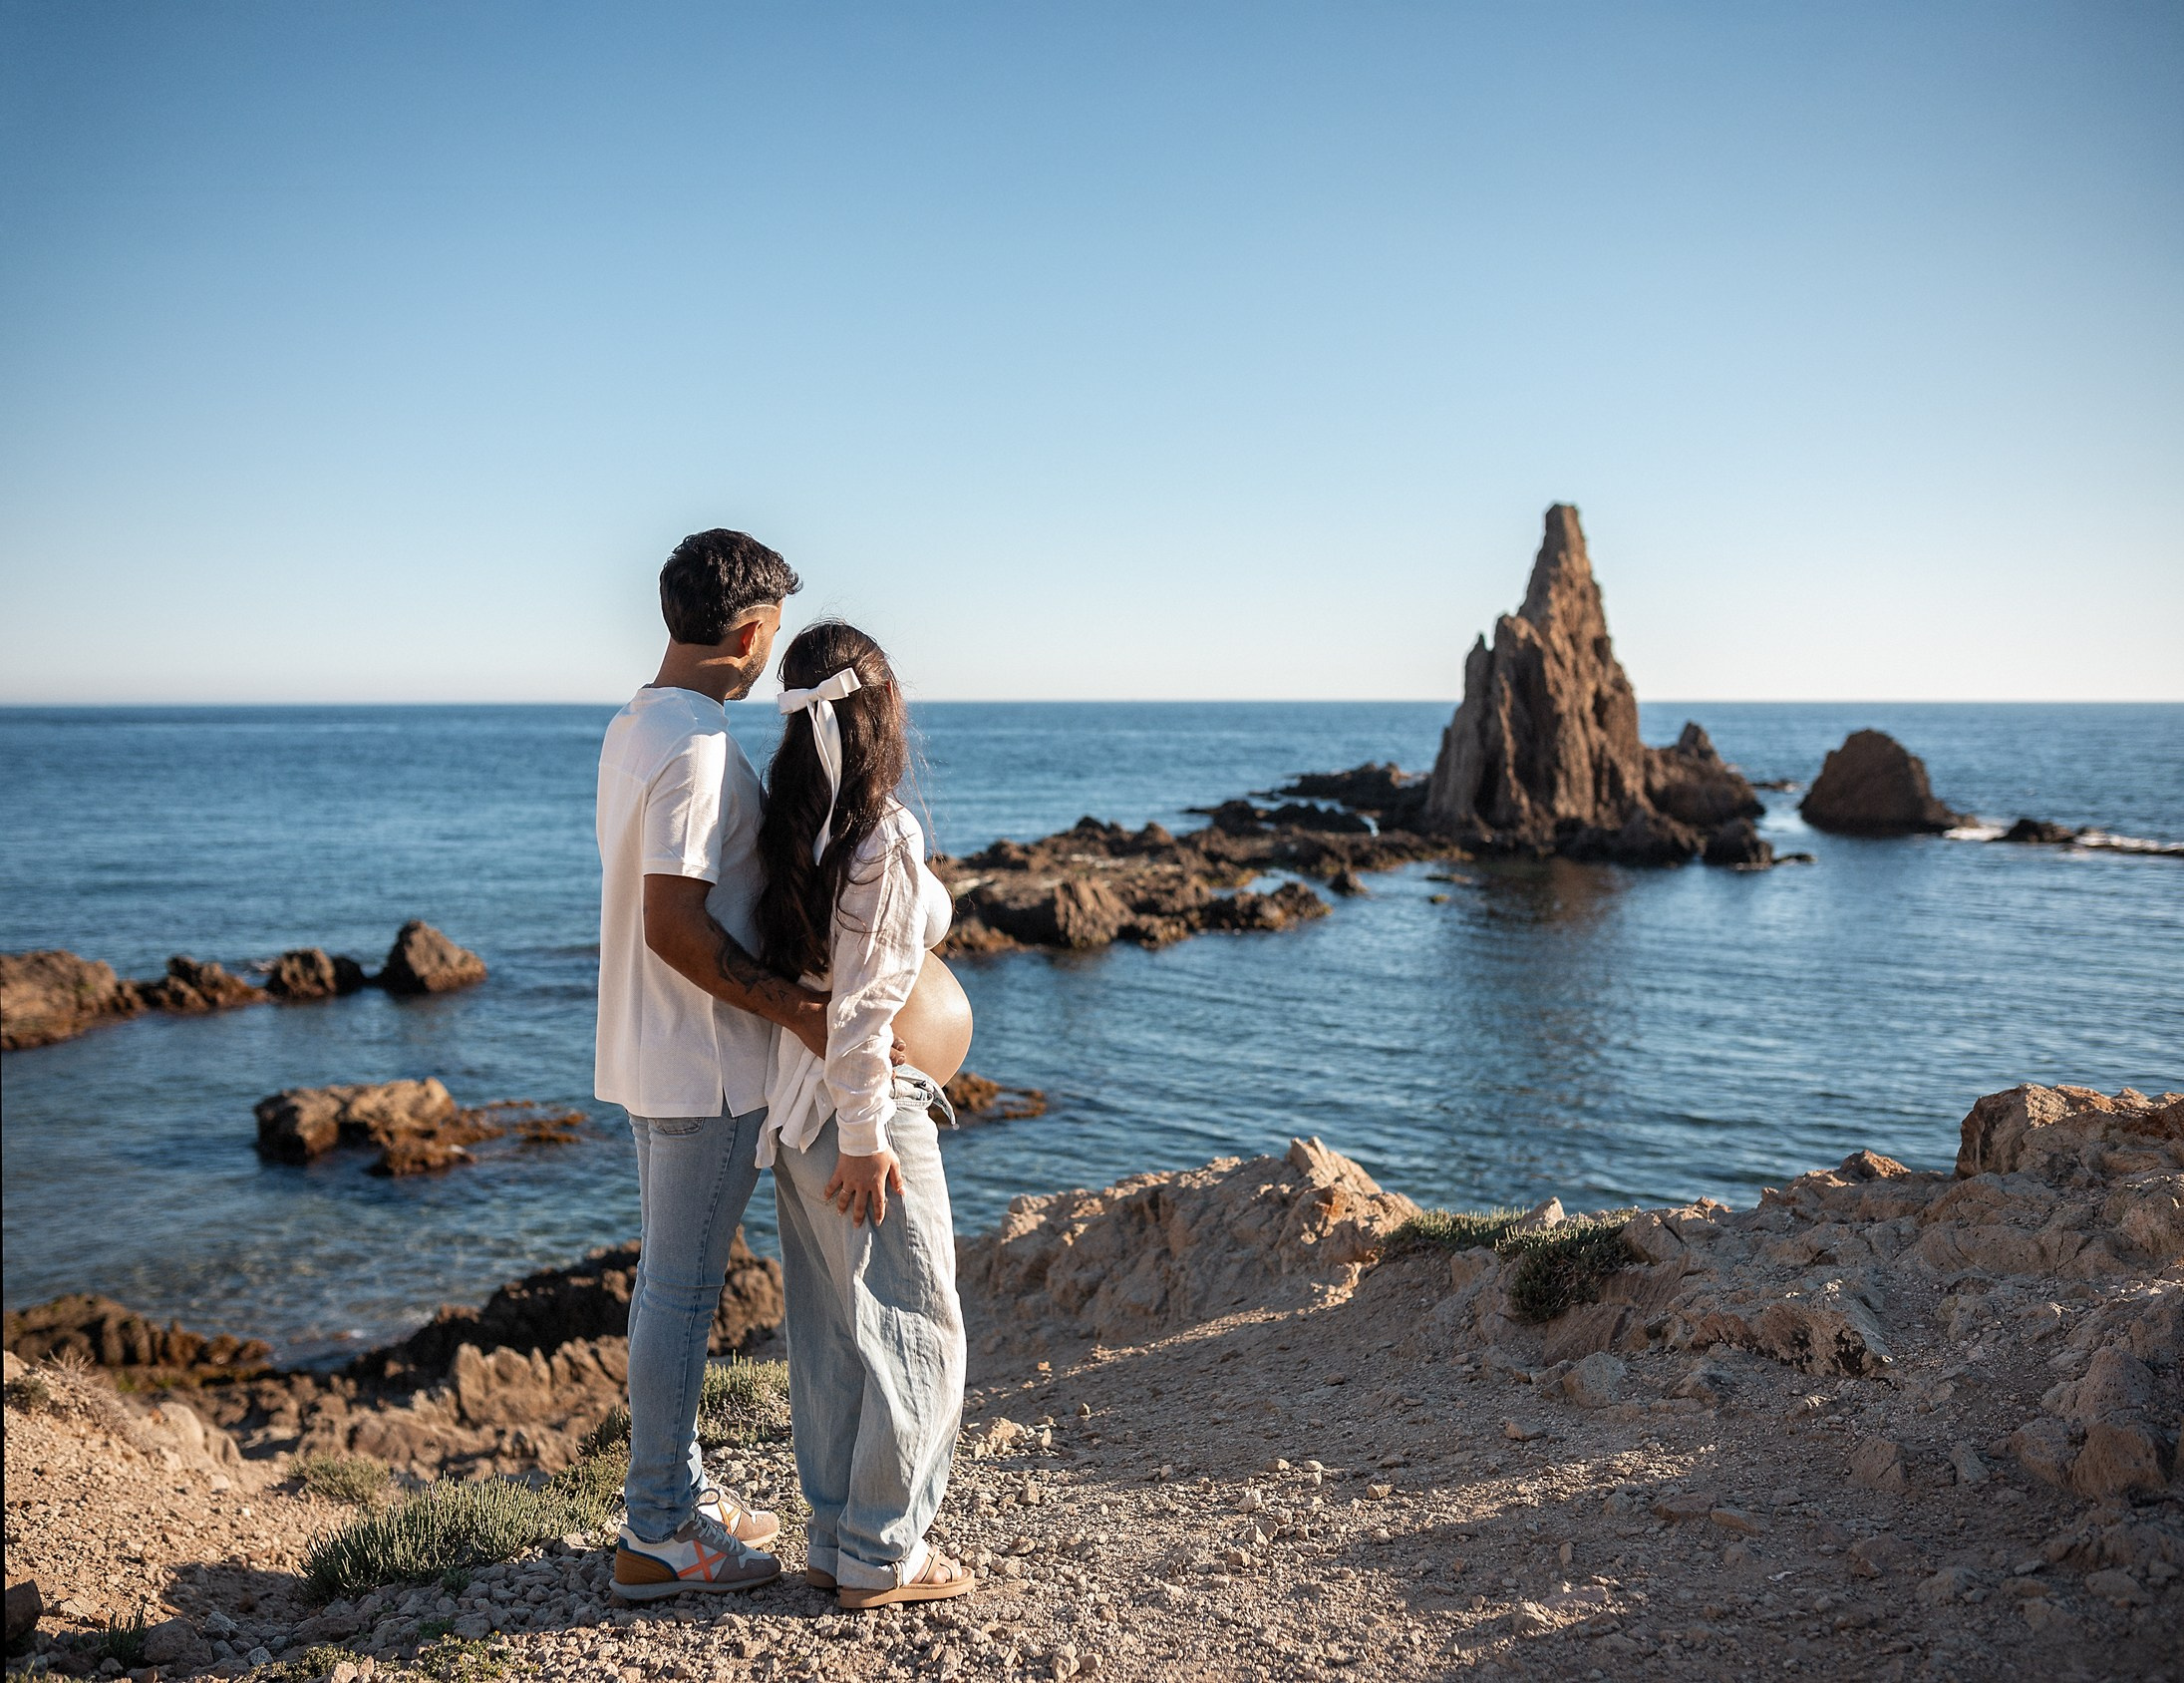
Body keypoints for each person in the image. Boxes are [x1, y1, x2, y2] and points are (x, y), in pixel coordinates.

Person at [594, 528, 824, 1600]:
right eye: (771, 636)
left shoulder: (639, 722)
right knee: (682, 1297)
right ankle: (660, 1531)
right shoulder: (694, 745)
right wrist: (799, 1011)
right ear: (747, 632)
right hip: (707, 1065)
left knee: (664, 1286)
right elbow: (673, 923)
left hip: (653, 1052)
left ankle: (674, 1487)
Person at [754, 620, 979, 1611]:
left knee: (835, 1334)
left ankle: (836, 1535)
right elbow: (859, 1011)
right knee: (917, 1324)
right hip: (860, 1115)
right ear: (880, 712)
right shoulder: (881, 832)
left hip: (790, 1114)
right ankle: (885, 1551)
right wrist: (867, 1138)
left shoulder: (780, 820)